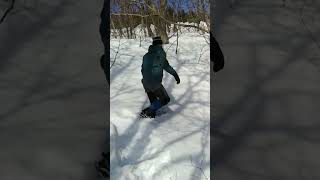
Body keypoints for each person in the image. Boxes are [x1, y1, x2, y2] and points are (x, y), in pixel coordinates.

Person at [140, 36, 180, 118]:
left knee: (154, 103)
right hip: (154, 83)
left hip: (145, 82)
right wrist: (175, 75)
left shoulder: (146, 56)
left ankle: (150, 117)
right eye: (161, 44)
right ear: (160, 44)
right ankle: (147, 112)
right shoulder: (160, 54)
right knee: (165, 99)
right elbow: (167, 67)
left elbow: (142, 69)